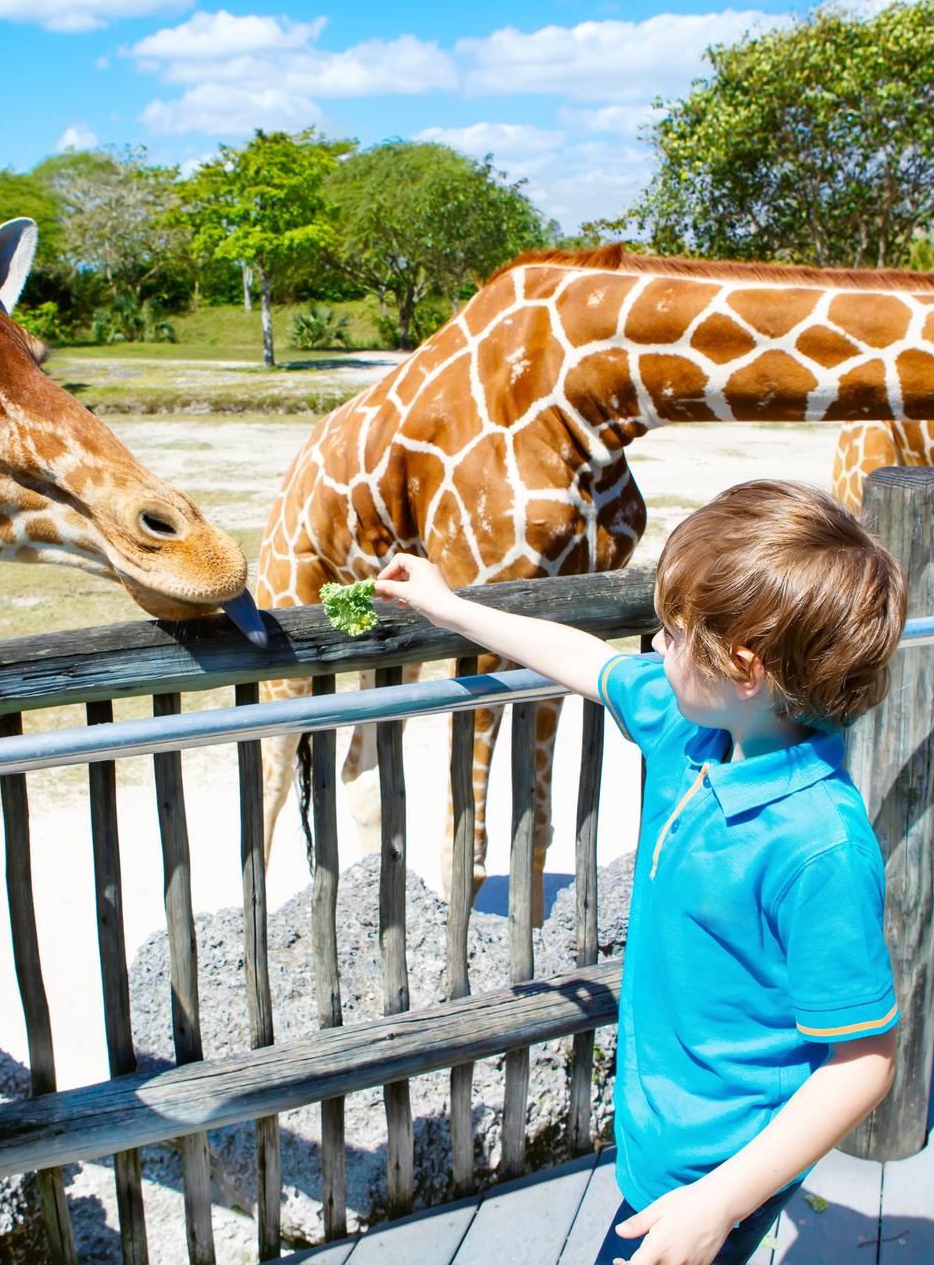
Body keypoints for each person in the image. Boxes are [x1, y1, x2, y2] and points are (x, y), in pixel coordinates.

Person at [373, 479, 906, 1265]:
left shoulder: (818, 844)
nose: (654, 647)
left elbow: (865, 1060)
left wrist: (721, 1200)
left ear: (744, 666)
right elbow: (586, 661)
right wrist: (450, 608)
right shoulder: (697, 729)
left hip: (720, 1167)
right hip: (661, 1140)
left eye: (673, 632)